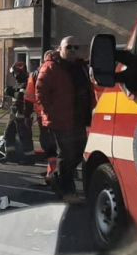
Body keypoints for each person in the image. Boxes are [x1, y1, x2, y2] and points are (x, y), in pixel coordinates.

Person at [36, 37, 96, 200]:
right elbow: (40, 93)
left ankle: (56, 178)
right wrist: (50, 114)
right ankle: (68, 192)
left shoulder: (81, 67)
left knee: (79, 153)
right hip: (60, 120)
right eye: (69, 47)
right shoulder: (51, 67)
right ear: (60, 49)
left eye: (76, 47)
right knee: (67, 155)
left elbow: (89, 89)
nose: (73, 50)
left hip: (79, 119)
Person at [3, 62, 35, 164]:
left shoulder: (27, 82)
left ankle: (29, 158)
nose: (13, 75)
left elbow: (22, 96)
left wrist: (11, 92)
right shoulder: (19, 83)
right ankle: (10, 155)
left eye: (14, 73)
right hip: (15, 113)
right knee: (8, 133)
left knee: (25, 136)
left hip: (24, 114)